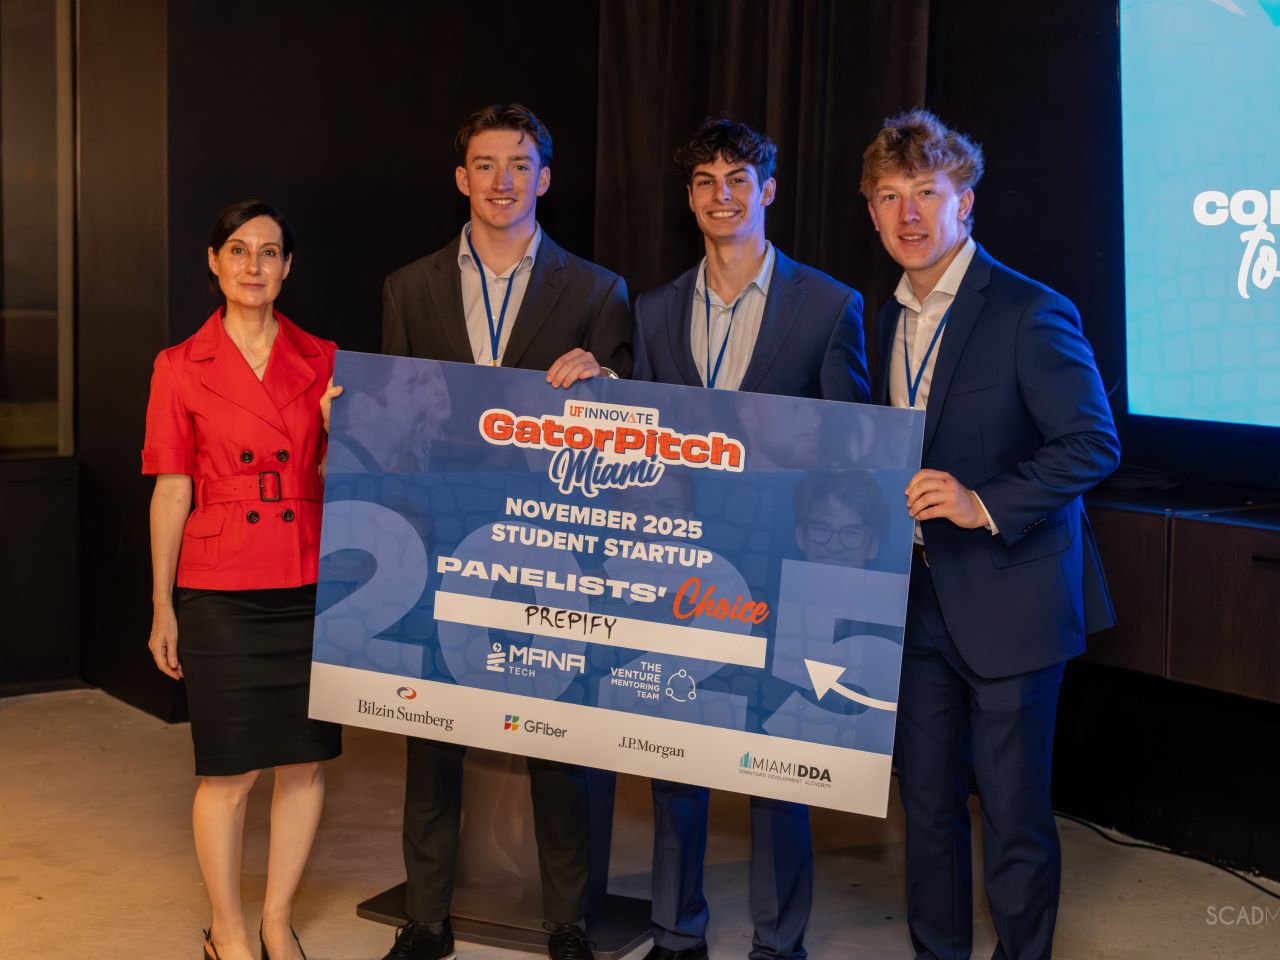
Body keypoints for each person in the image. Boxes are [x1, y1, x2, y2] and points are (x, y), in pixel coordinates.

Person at [362, 103, 632, 960]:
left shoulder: (597, 290)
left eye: (520, 165)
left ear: (544, 179)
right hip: (437, 537)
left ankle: (567, 920)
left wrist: (608, 380)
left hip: (547, 542)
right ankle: (427, 918)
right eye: (485, 165)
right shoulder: (408, 288)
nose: (502, 181)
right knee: (430, 728)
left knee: (558, 733)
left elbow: (627, 436)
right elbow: (398, 422)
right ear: (460, 179)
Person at [860, 109, 1120, 960]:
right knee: (927, 810)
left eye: (927, 193)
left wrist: (983, 502)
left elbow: (1092, 442)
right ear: (871, 211)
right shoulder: (879, 319)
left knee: (1012, 817)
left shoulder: (1027, 310)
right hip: (916, 602)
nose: (909, 214)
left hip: (1012, 595)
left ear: (964, 202)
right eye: (890, 197)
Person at [632, 117, 870, 960]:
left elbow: (853, 449)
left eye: (739, 179)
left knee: (779, 765)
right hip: (686, 566)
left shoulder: (830, 304)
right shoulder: (654, 309)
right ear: (689, 197)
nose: (721, 195)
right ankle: (674, 930)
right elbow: (647, 436)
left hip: (786, 569)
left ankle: (779, 942)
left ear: (768, 191)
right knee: (675, 755)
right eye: (705, 181)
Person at [143, 200, 342, 960]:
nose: (253, 266)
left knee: (303, 762)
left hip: (308, 576)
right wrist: (162, 604)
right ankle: (227, 927)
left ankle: (274, 919)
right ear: (213, 262)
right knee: (229, 771)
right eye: (238, 250)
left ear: (288, 267)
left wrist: (334, 431)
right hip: (219, 582)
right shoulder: (176, 365)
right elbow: (170, 489)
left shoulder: (324, 358)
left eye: (269, 252)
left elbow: (339, 479)